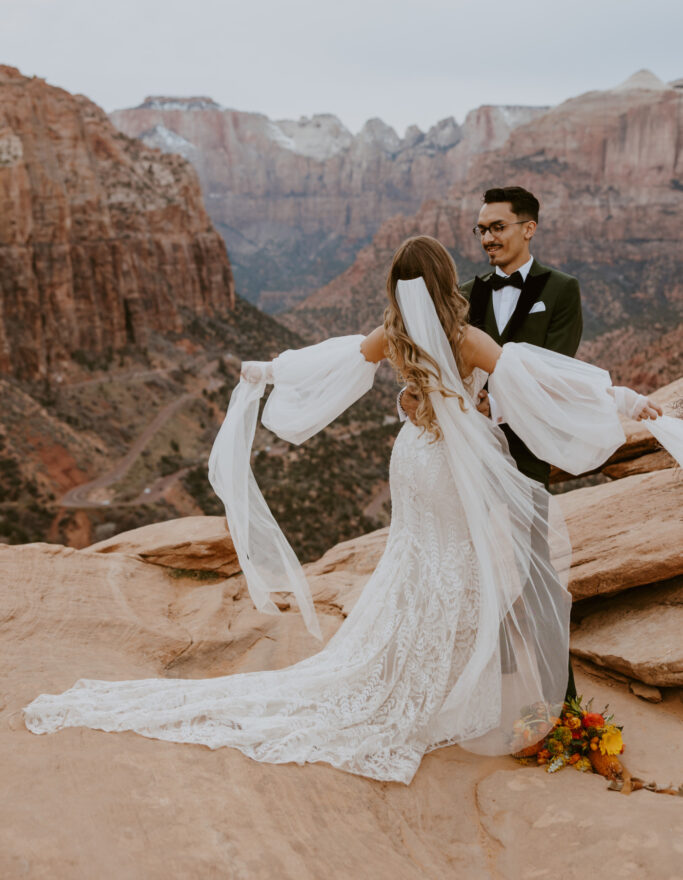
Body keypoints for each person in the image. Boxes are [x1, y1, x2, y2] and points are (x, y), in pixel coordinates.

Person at [23, 237, 675, 787]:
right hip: (455, 466)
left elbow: (331, 358)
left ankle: (402, 668)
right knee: (460, 561)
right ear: (447, 281)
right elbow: (543, 380)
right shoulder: (465, 336)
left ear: (398, 287)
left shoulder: (391, 334)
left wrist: (266, 371)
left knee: (417, 558)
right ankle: (442, 682)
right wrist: (619, 398)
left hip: (413, 463)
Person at [398, 187, 583, 701]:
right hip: (463, 454)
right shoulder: (466, 294)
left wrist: (493, 408)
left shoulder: (562, 290)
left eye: (497, 226)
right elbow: (440, 360)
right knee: (475, 565)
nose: (486, 238)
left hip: (523, 453)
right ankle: (489, 683)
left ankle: (561, 699)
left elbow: (553, 372)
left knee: (538, 569)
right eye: (481, 229)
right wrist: (418, 392)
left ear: (529, 228)